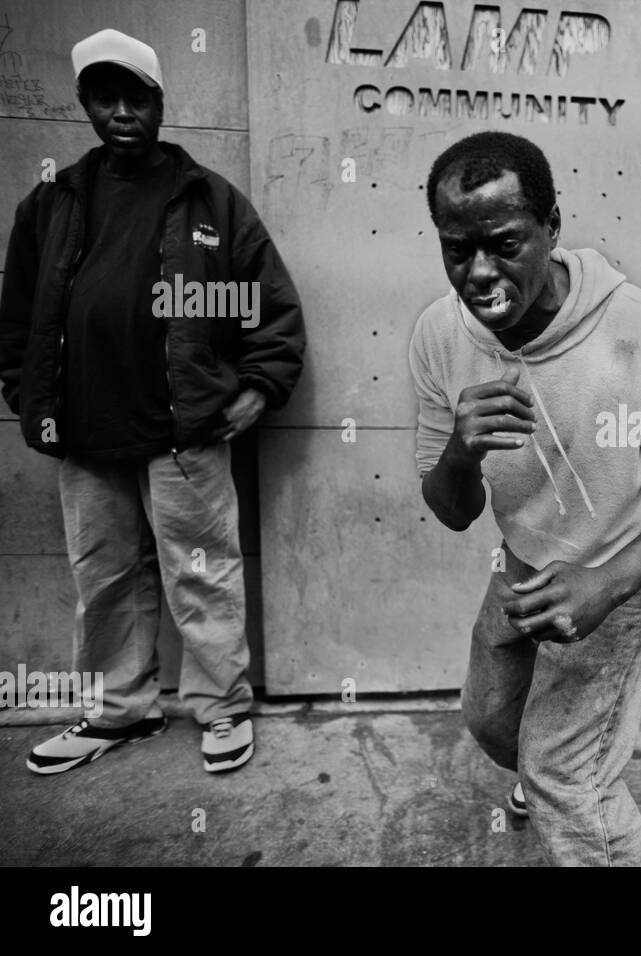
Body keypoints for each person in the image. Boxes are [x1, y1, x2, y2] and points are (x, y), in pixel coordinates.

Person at [409, 131, 641, 866]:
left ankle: (564, 784)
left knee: (568, 779)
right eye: (457, 249)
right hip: (525, 554)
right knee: (491, 716)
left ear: (553, 225)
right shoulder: (439, 335)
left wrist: (604, 585)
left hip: (627, 565)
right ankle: (544, 772)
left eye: (504, 243)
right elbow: (452, 507)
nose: (480, 272)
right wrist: (462, 449)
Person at [0, 30, 306, 775]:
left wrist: (256, 387)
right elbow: (16, 318)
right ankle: (118, 713)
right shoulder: (52, 203)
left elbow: (264, 304)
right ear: (86, 106)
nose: (123, 111)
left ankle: (223, 706)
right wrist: (27, 391)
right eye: (107, 97)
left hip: (183, 432)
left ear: (161, 103)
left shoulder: (208, 201)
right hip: (84, 432)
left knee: (201, 572)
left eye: (137, 96)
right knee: (102, 580)